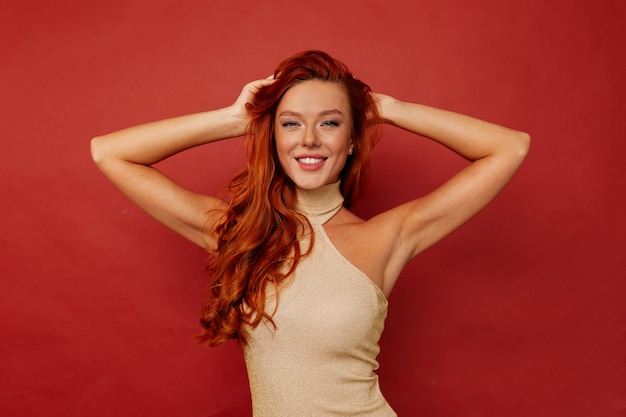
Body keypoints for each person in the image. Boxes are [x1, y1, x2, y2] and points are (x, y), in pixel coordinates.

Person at [91, 50, 530, 416]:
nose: (309, 139)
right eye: (291, 123)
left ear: (353, 138)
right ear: (273, 136)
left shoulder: (388, 236)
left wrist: (388, 109)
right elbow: (110, 153)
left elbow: (510, 147)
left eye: (330, 123)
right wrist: (233, 118)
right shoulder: (238, 233)